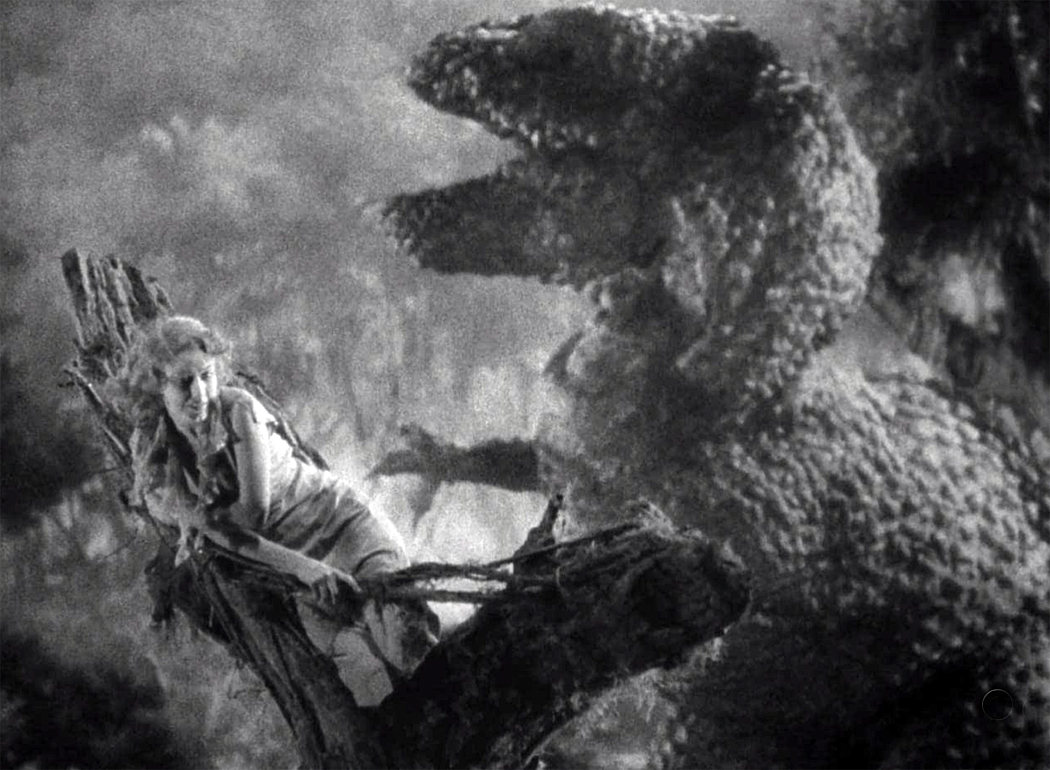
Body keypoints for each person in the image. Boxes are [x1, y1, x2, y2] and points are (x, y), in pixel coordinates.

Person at [116, 315, 438, 706]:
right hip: (297, 573)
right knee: (366, 684)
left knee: (407, 640)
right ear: (157, 383)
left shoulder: (238, 411)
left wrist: (209, 526)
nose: (200, 393)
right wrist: (304, 569)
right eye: (185, 382)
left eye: (207, 376)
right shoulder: (153, 453)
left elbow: (252, 514)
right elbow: (213, 529)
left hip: (344, 526)